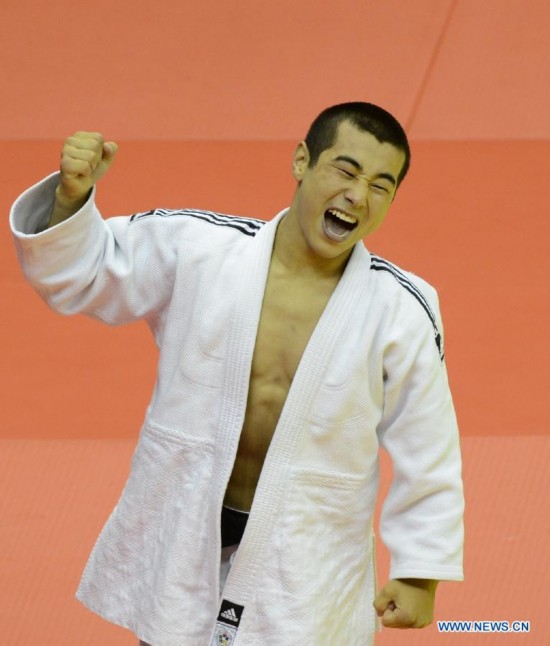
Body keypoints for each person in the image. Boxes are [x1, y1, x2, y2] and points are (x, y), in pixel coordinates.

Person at [10, 102, 464, 646]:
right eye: (345, 171)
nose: (358, 196)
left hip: (307, 546)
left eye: (381, 186)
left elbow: (428, 446)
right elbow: (77, 274)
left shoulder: (402, 308)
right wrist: (71, 199)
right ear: (302, 161)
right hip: (187, 518)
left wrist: (419, 573)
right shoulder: (198, 249)